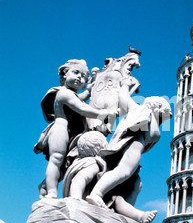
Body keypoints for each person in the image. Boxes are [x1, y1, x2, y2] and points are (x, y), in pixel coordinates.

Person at [34, 59, 118, 199]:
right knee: (56, 159)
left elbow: (80, 99)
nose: (80, 77)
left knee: (63, 167)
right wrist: (103, 113)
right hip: (61, 130)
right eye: (76, 72)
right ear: (65, 75)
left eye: (84, 76)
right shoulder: (63, 93)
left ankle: (44, 186)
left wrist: (89, 91)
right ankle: (52, 192)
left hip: (73, 133)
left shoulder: (73, 95)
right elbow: (82, 108)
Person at [86, 96, 172, 212]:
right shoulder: (142, 111)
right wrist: (126, 83)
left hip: (137, 150)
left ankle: (123, 212)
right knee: (123, 171)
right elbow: (124, 97)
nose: (168, 117)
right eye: (166, 113)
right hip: (133, 147)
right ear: (157, 108)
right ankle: (96, 194)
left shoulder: (154, 121)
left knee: (136, 184)